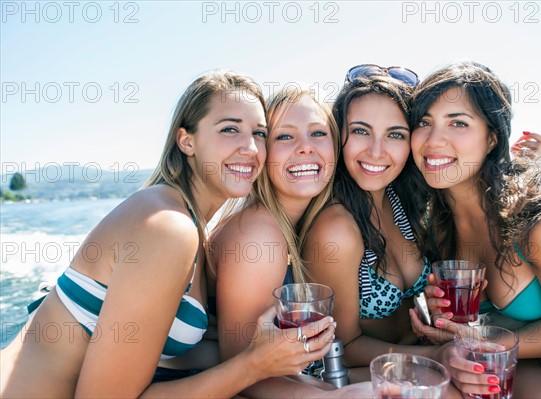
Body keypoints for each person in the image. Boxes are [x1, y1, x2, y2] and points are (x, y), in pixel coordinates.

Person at [0, 72, 338, 398]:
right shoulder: (169, 227)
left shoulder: (190, 224)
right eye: (230, 129)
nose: (250, 147)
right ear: (187, 141)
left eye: (259, 133)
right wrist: (254, 365)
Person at [303, 66, 505, 397]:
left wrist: (436, 316)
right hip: (342, 374)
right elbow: (341, 345)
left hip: (409, 357)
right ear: (339, 135)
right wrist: (437, 357)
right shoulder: (336, 228)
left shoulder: (405, 203)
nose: (377, 151)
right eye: (360, 131)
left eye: (395, 134)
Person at [408, 61, 541, 398]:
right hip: (516, 355)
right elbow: (467, 330)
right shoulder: (434, 227)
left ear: (492, 137)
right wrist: (443, 321)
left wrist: (488, 341)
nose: (434, 139)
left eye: (458, 123)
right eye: (424, 122)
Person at [209, 85, 373, 397]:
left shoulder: (308, 223)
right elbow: (242, 371)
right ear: (263, 152)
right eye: (285, 136)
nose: (305, 148)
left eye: (318, 133)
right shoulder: (258, 233)